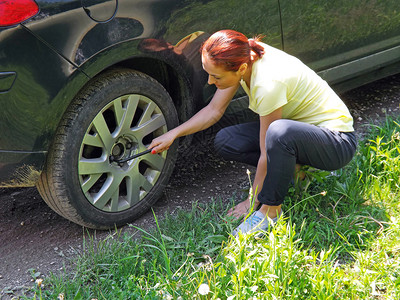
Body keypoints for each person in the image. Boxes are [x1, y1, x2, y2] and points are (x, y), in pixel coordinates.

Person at [149, 29, 357, 236]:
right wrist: (173, 134)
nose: (211, 82)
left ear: (241, 69)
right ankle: (294, 169)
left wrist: (252, 200)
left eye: (216, 77)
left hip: (336, 143)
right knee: (227, 140)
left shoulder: (268, 84)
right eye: (209, 74)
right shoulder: (243, 55)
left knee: (277, 133)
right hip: (299, 133)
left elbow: (267, 150)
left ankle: (270, 212)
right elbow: (214, 110)